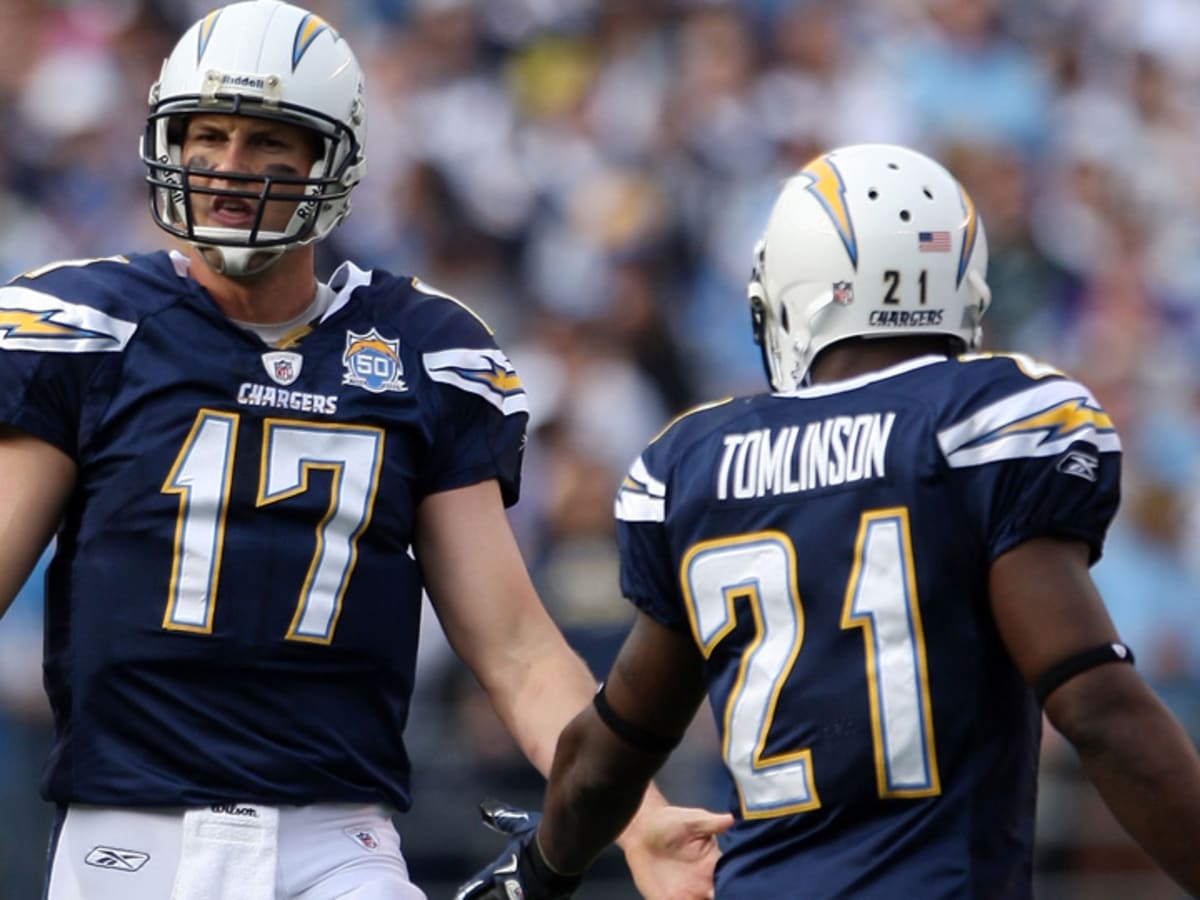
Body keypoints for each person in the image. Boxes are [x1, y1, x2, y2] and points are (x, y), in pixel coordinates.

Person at [0, 2, 732, 898]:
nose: (229, 168)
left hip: (337, 841)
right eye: (206, 136)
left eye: (269, 142)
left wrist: (642, 816)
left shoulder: (422, 348)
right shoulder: (89, 327)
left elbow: (514, 648)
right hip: (131, 834)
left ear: (332, 159)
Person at [456, 143, 1200, 899]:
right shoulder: (986, 425)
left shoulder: (698, 462)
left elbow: (611, 750)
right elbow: (1096, 706)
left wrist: (542, 867)